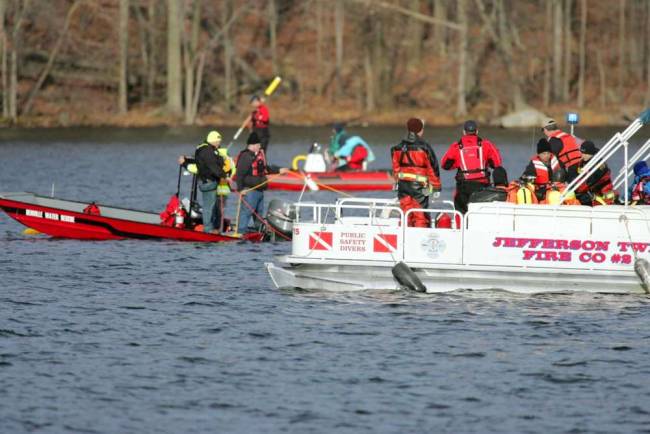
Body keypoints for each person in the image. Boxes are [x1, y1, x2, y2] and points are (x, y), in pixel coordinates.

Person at [441, 120, 503, 214]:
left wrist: (457, 164)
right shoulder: (486, 145)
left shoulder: (456, 147)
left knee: (461, 212)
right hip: (482, 187)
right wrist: (487, 162)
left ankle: (461, 227)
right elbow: (497, 164)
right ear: (477, 131)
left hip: (463, 187)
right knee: (481, 213)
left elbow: (445, 165)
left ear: (464, 132)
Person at [390, 118, 441, 228]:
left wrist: (397, 182)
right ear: (420, 130)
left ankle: (403, 238)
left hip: (403, 186)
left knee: (405, 214)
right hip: (419, 187)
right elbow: (432, 168)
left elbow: (396, 168)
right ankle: (418, 239)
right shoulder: (425, 147)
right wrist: (436, 187)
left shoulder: (397, 147)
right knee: (420, 215)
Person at [235, 132, 288, 233]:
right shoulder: (245, 157)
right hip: (250, 191)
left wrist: (279, 170)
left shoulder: (260, 155)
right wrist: (241, 189)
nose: (260, 146)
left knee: (259, 215)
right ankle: (240, 233)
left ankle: (259, 233)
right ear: (253, 145)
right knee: (246, 213)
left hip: (260, 190)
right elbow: (239, 175)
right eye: (258, 144)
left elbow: (266, 169)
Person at [195, 131, 227, 233]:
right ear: (213, 140)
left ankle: (215, 227)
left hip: (210, 181)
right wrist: (223, 176)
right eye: (218, 141)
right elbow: (213, 167)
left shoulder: (206, 150)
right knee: (209, 207)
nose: (219, 143)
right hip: (209, 182)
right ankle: (208, 230)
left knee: (214, 207)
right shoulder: (207, 152)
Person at [567, 141, 616, 206]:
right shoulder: (584, 162)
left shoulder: (599, 166)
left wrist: (575, 187)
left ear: (591, 153)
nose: (583, 155)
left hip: (603, 199)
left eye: (585, 154)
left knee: (580, 196)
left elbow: (589, 182)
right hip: (591, 194)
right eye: (582, 153)